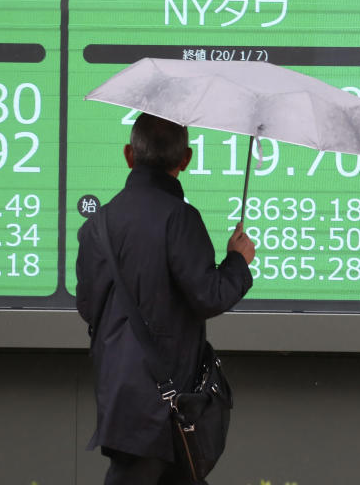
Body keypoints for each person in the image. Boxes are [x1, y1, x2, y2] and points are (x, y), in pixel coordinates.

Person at [76, 113, 257, 485]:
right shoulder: (181, 218)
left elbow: (87, 306)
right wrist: (238, 260)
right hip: (173, 402)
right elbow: (209, 295)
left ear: (129, 154)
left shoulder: (98, 224)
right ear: (185, 160)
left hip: (122, 397)